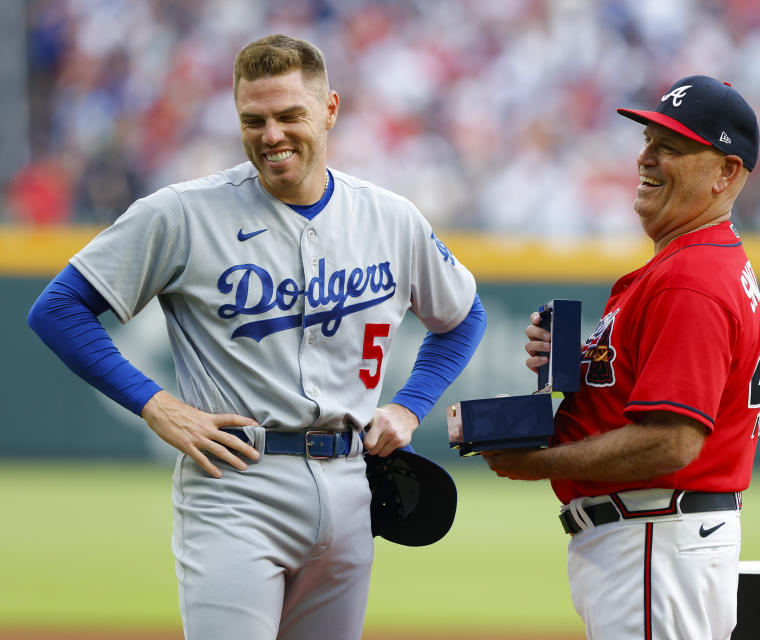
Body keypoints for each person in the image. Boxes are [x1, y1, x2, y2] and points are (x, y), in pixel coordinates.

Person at [27, 34, 485, 640]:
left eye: (289, 115)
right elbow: (58, 308)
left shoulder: (390, 217)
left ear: (330, 110)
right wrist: (157, 406)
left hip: (349, 484)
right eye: (253, 119)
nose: (271, 134)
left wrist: (410, 405)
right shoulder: (183, 213)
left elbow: (464, 316)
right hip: (237, 485)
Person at [483, 75, 760, 640]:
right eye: (648, 138)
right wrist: (577, 367)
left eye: (673, 146)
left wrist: (534, 464)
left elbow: (672, 440)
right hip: (658, 538)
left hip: (654, 537)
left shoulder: (690, 278)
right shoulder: (696, 263)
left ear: (726, 172)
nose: (647, 156)